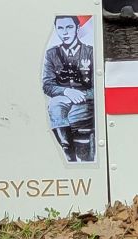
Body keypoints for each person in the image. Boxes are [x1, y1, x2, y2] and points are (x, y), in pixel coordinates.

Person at [41, 16, 96, 161]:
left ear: (77, 28)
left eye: (69, 27)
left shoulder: (90, 52)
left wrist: (82, 95)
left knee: (59, 111)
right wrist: (67, 92)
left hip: (87, 104)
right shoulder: (52, 54)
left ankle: (75, 157)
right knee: (55, 103)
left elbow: (98, 85)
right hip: (62, 105)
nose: (65, 32)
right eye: (60, 28)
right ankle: (69, 156)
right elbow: (47, 85)